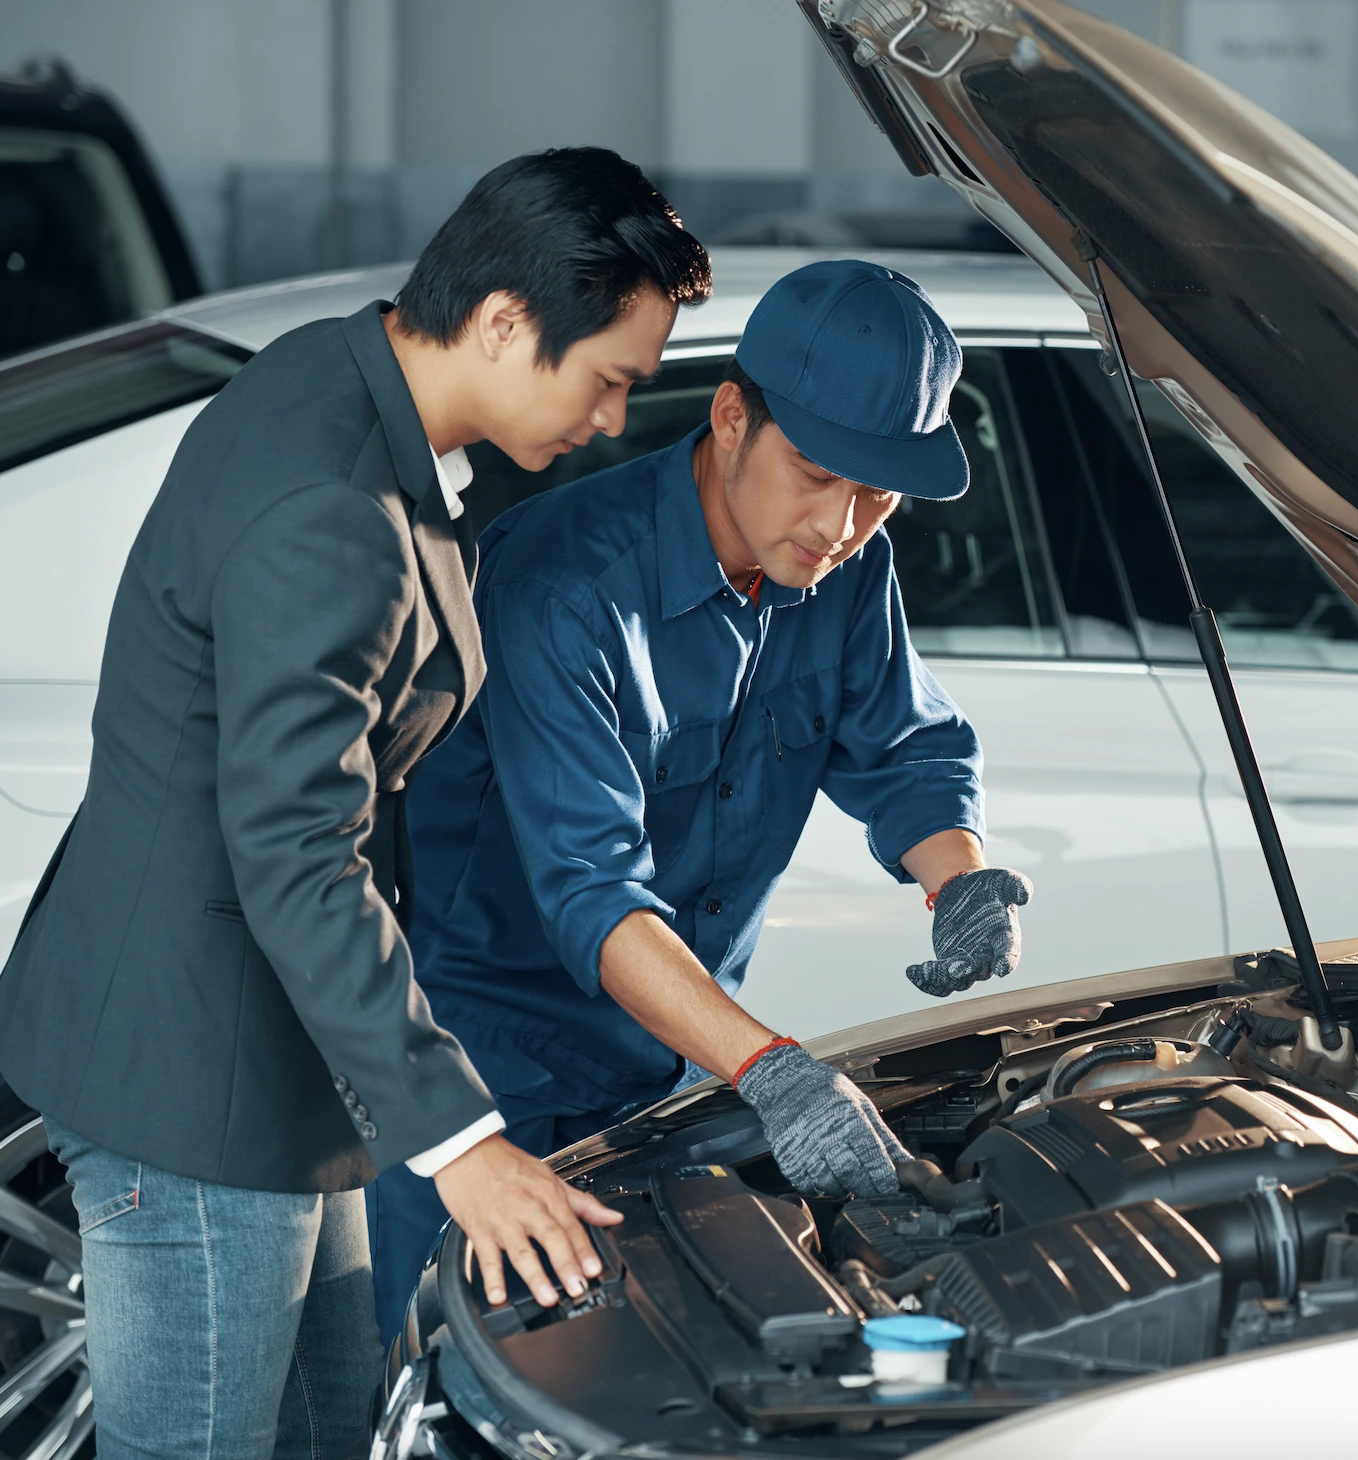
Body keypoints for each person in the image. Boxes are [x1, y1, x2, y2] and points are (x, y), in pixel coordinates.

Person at [0, 148, 711, 1458]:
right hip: (196, 1077)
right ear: (504, 321)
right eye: (607, 380)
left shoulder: (346, 379)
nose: (613, 422)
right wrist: (464, 1144)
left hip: (274, 1054)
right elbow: (294, 843)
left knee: (329, 1432)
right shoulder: (330, 504)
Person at [365, 259, 1033, 1341]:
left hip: (671, 1082)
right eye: (817, 472)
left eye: (878, 492)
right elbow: (593, 889)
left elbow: (906, 743)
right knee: (434, 1390)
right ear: (732, 418)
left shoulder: (844, 567)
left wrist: (959, 874)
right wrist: (773, 1067)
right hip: (491, 1096)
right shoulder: (563, 587)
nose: (845, 521)